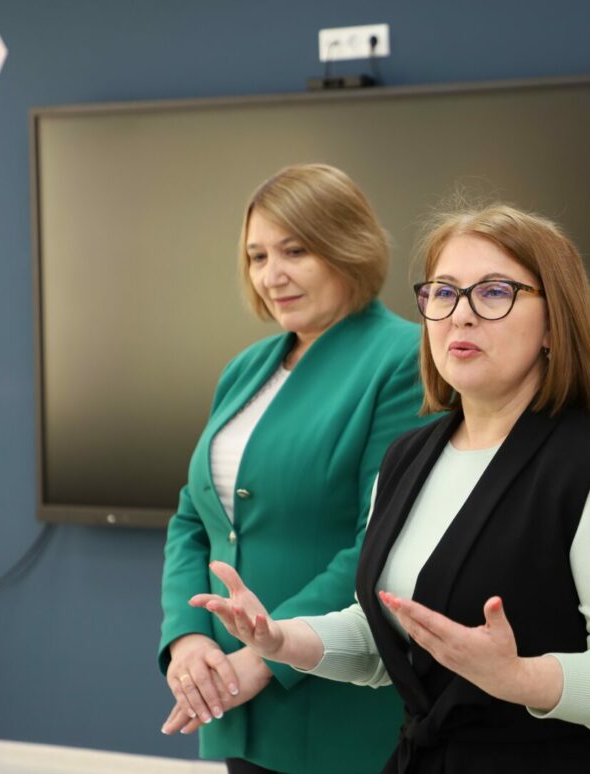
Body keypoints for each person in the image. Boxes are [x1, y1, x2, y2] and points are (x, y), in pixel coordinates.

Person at [189, 204, 590, 773]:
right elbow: (389, 636)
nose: (461, 315)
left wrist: (520, 677)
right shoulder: (408, 458)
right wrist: (282, 641)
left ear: (555, 324)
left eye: (494, 292)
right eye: (444, 293)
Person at [158, 164, 432, 774]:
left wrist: (265, 657)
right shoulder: (246, 368)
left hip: (331, 698)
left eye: (295, 251)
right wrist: (188, 638)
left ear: (349, 247)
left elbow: (381, 541)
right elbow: (194, 518)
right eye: (257, 256)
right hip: (233, 695)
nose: (271, 275)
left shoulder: (405, 359)